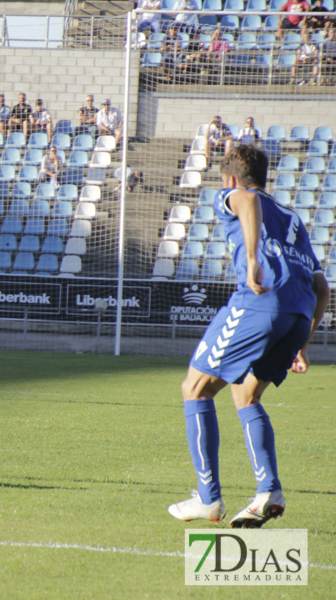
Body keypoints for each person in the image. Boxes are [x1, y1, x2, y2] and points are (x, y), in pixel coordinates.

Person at [167, 145, 329, 529]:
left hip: (259, 302)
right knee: (245, 395)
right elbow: (323, 288)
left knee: (195, 388)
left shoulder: (235, 194)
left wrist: (252, 258)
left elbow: (247, 202)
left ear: (231, 178)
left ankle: (208, 499)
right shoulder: (292, 218)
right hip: (299, 312)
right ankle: (268, 490)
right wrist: (302, 341)